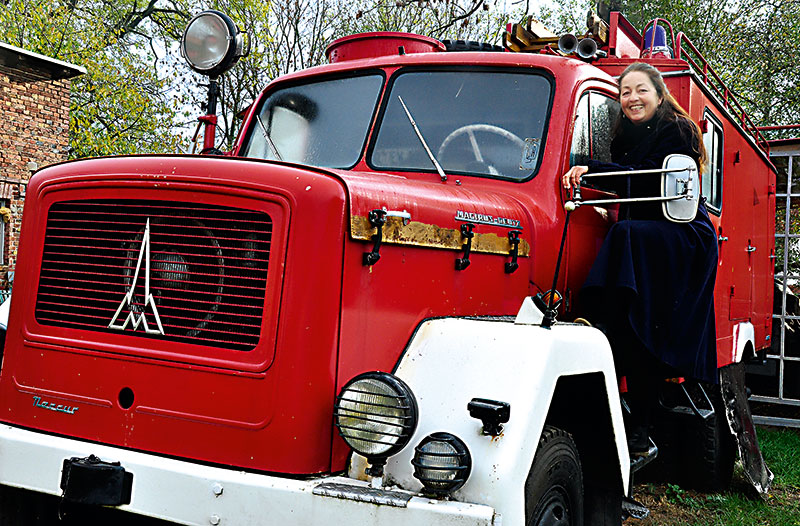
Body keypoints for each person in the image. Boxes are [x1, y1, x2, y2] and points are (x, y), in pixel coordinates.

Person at [562, 62, 718, 453]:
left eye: (640, 90)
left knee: (625, 234)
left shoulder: (678, 130)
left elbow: (648, 178)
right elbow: (626, 180)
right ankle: (631, 428)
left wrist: (590, 171)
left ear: (660, 94)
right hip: (648, 236)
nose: (631, 98)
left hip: (681, 232)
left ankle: (594, 310)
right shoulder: (622, 136)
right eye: (625, 91)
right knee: (635, 326)